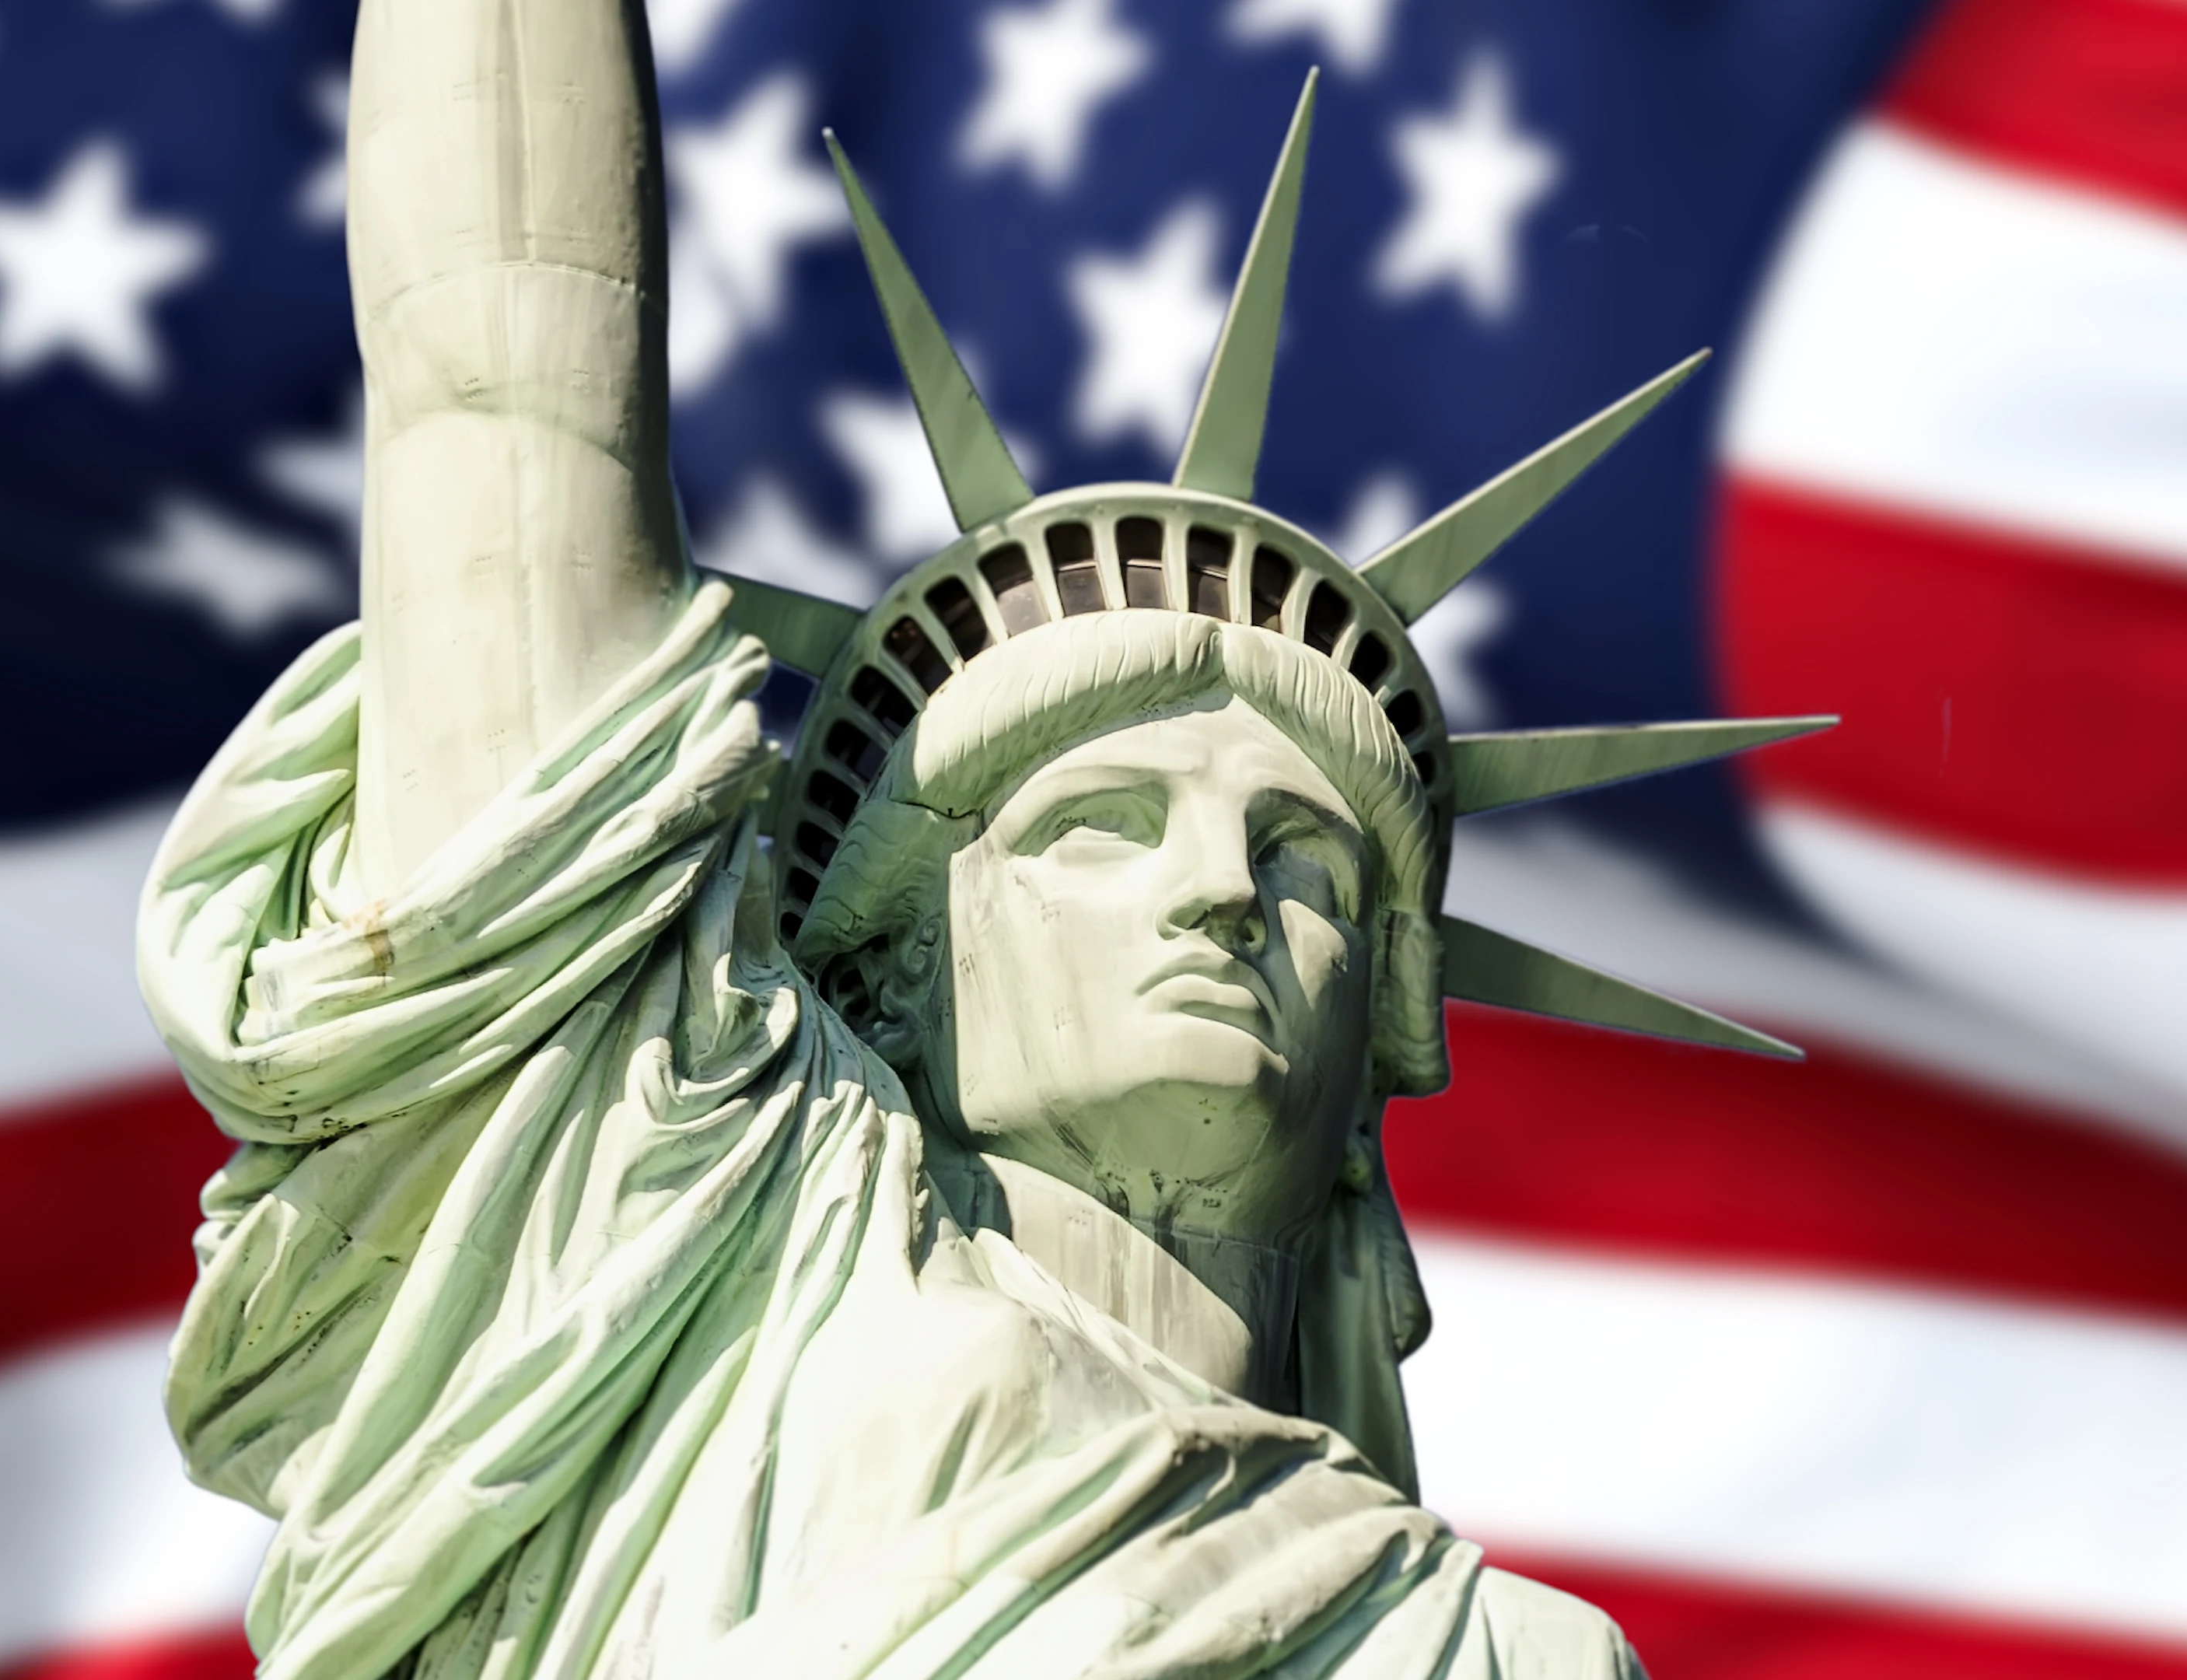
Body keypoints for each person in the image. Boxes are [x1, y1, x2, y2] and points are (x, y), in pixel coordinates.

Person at [132, 1, 1815, 1675]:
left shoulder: (1505, 1658)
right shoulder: (679, 1263)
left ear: (1386, 1016)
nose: (1220, 892)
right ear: (898, 947)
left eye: (1304, 860)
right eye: (1099, 827)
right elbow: (499, 406)